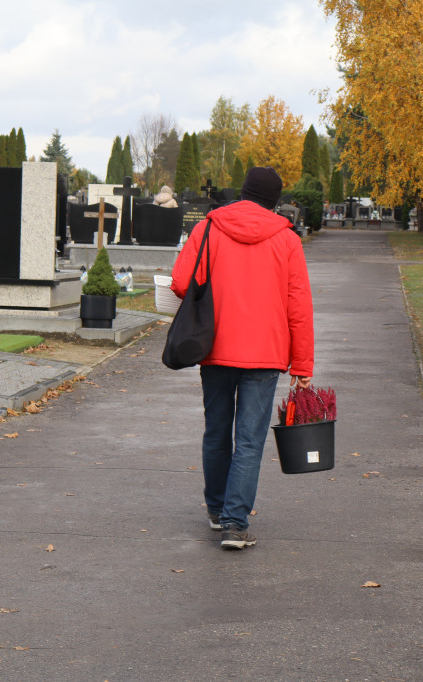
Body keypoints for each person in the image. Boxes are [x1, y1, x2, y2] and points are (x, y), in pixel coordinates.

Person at [170, 167, 314, 550]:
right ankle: (235, 524)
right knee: (250, 440)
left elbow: (181, 282)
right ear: (275, 201)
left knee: (216, 432)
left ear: (243, 192)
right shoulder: (287, 240)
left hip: (214, 346)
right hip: (266, 353)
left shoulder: (208, 228)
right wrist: (302, 364)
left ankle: (217, 511)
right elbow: (299, 307)